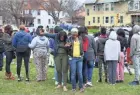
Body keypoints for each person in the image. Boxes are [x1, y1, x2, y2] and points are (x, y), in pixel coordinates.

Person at [44, 27, 68, 92]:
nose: (62, 37)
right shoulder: (56, 37)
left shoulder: (67, 40)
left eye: (63, 36)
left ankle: (64, 85)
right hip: (57, 55)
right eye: (61, 36)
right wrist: (42, 33)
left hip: (65, 56)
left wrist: (68, 46)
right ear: (59, 35)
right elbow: (48, 34)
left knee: (64, 70)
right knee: (58, 69)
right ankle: (59, 84)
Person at [66, 28, 84, 92]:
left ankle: (81, 87)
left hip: (79, 58)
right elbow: (66, 47)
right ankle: (73, 88)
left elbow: (82, 47)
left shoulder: (80, 38)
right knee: (73, 74)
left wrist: (82, 55)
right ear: (71, 33)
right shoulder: (69, 39)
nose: (75, 34)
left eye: (76, 33)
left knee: (80, 73)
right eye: (73, 33)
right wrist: (68, 46)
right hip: (72, 58)